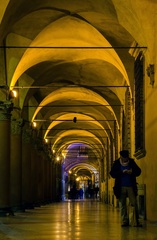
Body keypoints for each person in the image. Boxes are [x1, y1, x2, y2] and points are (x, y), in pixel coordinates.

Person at [110, 150, 141, 227]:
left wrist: (132, 171)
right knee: (122, 205)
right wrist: (121, 172)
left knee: (134, 203)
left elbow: (138, 171)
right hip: (120, 187)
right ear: (121, 157)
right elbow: (112, 174)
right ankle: (124, 221)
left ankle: (135, 220)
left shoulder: (131, 162)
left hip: (131, 186)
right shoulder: (117, 163)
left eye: (126, 158)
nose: (125, 159)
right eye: (124, 158)